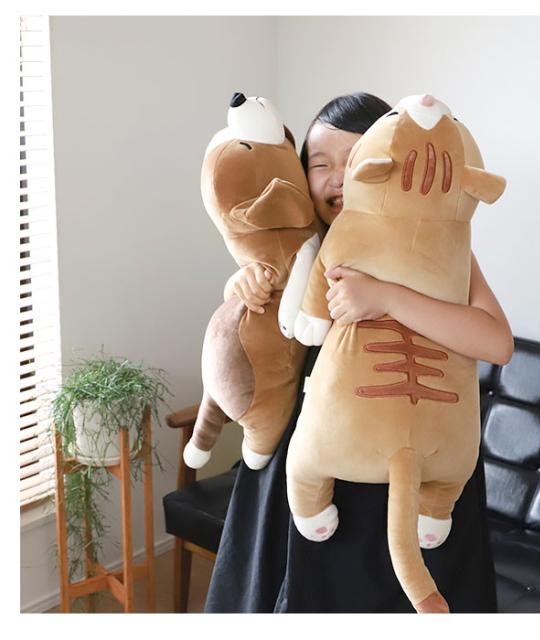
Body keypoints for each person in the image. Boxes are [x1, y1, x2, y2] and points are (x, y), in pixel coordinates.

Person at [204, 92, 512, 613]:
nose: (338, 179)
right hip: (315, 464)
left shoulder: (438, 249)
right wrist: (242, 286)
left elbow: (497, 342)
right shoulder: (296, 245)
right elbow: (258, 343)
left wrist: (385, 297)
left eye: (354, 160)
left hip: (420, 466)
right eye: (320, 164)